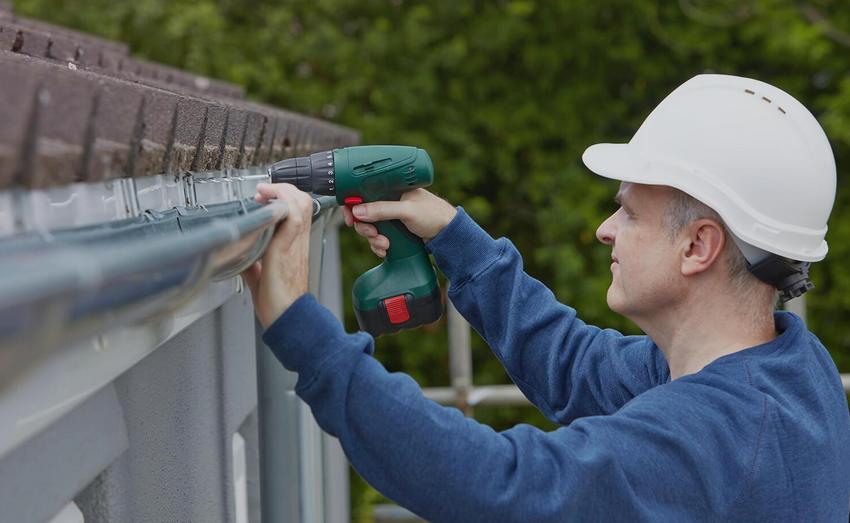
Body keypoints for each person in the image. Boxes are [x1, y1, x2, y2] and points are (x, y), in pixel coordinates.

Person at [242, 74, 850, 521]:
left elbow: (501, 487)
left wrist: (302, 327)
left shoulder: (719, 436)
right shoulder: (786, 369)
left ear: (698, 247)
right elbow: (575, 367)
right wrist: (457, 240)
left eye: (629, 212)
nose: (605, 230)